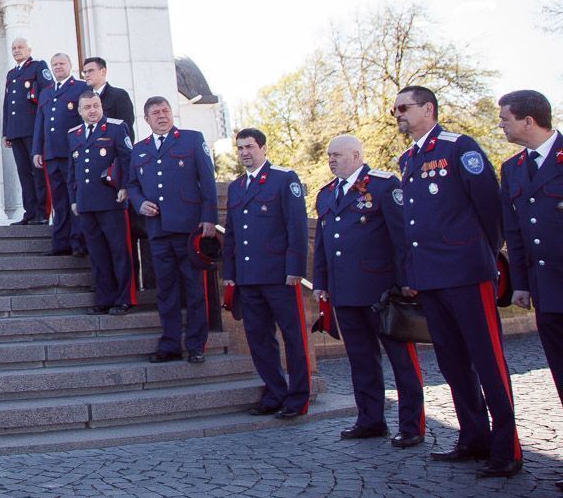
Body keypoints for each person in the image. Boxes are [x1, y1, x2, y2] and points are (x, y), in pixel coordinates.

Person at [392, 85, 519, 477]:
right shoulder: (408, 159)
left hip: (466, 273)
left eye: (403, 107)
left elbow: (489, 207)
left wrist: (484, 255)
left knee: (488, 359)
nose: (398, 115)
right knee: (453, 363)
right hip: (430, 277)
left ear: (428, 109)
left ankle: (507, 448)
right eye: (395, 110)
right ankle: (473, 437)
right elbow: (413, 223)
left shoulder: (458, 147)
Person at [312, 134, 424, 447]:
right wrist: (320, 282)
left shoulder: (384, 185)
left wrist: (407, 281)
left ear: (357, 156)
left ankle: (412, 425)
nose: (331, 160)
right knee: (361, 360)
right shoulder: (326, 194)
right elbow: (323, 243)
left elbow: (401, 237)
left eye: (337, 155)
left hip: (381, 292)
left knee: (401, 360)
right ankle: (370, 419)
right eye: (329, 155)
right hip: (344, 291)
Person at [224, 128, 311, 419]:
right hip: (248, 277)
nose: (245, 152)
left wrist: (295, 269)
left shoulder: (283, 179)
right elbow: (232, 233)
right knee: (259, 339)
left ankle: (298, 398)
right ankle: (275, 393)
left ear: (263, 148)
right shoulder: (237, 187)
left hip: (279, 276)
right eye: (240, 148)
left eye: (250, 146)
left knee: (293, 338)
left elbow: (297, 227)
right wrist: (230, 272)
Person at [126, 96, 218, 364]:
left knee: (194, 288)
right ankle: (170, 344)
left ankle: (197, 345)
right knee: (165, 290)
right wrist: (140, 203)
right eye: (155, 113)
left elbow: (207, 181)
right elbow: (132, 184)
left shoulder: (191, 139)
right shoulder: (139, 149)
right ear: (147, 119)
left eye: (165, 110)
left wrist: (209, 218)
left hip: (188, 228)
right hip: (157, 231)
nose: (162, 115)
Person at [499, 90, 563, 406]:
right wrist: (521, 284)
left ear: (528, 120)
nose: (501, 125)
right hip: (545, 289)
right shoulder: (512, 168)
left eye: (505, 119)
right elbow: (515, 232)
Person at [67, 89, 135, 314]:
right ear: (79, 111)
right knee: (97, 254)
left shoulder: (116, 128)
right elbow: (72, 170)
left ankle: (123, 299)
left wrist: (125, 186)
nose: (92, 111)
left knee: (118, 251)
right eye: (87, 107)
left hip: (111, 200)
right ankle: (104, 299)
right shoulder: (74, 134)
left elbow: (127, 159)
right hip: (86, 203)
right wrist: (74, 200)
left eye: (96, 106)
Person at [33, 53, 86, 255]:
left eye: (62, 63)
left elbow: (83, 121)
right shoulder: (46, 92)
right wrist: (37, 150)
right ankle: (60, 243)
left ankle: (78, 242)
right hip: (52, 154)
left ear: (70, 65)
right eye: (54, 64)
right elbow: (40, 123)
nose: (58, 67)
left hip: (71, 154)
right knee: (59, 200)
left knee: (74, 199)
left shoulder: (80, 88)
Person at [3, 38, 51, 224]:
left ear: (29, 50)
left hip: (33, 129)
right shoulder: (11, 74)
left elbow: (47, 94)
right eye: (14, 48)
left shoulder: (38, 66)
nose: (16, 50)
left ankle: (42, 212)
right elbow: (8, 104)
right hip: (16, 131)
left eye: (20, 47)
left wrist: (44, 126)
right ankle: (29, 212)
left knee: (37, 171)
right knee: (23, 173)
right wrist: (6, 131)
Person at [82, 56, 135, 127]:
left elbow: (126, 126)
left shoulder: (119, 95)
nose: (86, 75)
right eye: (85, 72)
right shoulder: (83, 98)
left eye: (90, 71)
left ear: (103, 71)